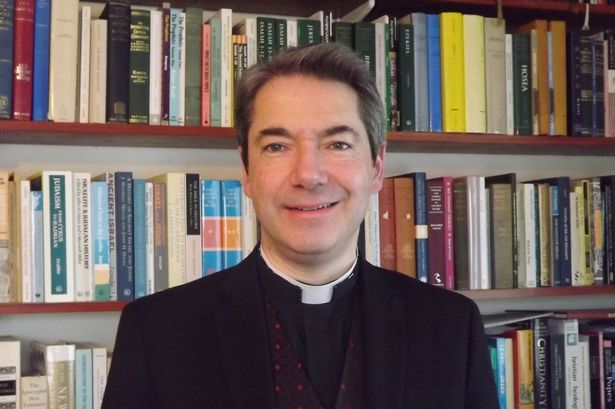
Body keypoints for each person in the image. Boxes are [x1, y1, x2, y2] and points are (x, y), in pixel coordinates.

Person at [102, 43, 499, 409]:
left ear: (377, 168)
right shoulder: (156, 332)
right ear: (247, 171)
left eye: (338, 144)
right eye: (277, 146)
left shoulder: (452, 327)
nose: (308, 175)